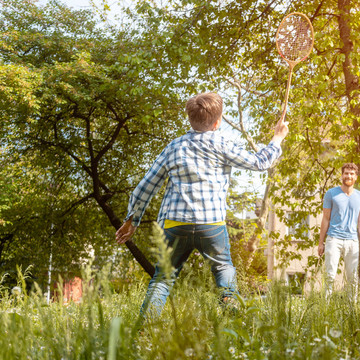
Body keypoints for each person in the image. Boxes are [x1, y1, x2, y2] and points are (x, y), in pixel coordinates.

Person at [115, 92, 288, 318]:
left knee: (162, 279)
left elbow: (146, 186)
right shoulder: (223, 144)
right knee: (223, 269)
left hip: (175, 224)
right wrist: (277, 137)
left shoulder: (174, 147)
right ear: (217, 122)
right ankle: (233, 319)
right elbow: (260, 162)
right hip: (211, 225)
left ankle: (144, 331)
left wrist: (132, 220)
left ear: (189, 118)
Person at [317, 163, 360, 300]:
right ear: (342, 175)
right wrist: (321, 243)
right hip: (334, 239)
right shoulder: (331, 194)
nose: (348, 176)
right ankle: (326, 307)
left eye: (351, 174)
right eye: (346, 173)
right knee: (330, 275)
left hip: (352, 241)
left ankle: (353, 310)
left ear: (356, 177)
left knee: (352, 277)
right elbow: (325, 219)